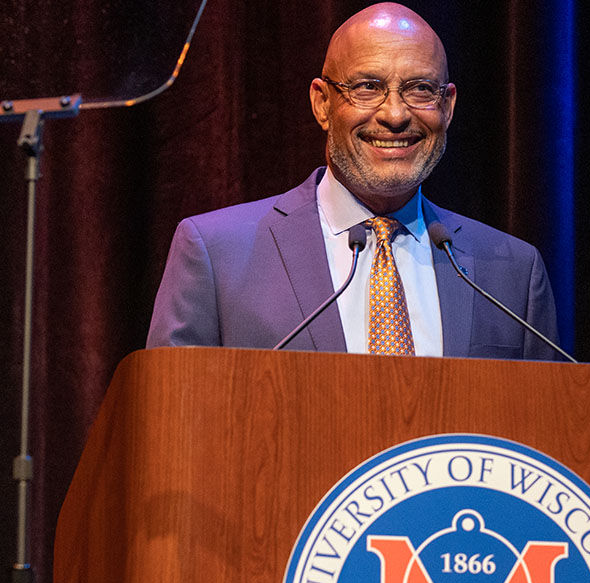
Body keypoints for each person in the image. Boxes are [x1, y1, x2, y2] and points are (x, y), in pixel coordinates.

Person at [147, 2, 561, 360]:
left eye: (419, 89)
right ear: (322, 104)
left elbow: (542, 437)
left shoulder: (512, 275)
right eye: (368, 87)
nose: (395, 115)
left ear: (447, 106)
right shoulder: (216, 255)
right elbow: (174, 426)